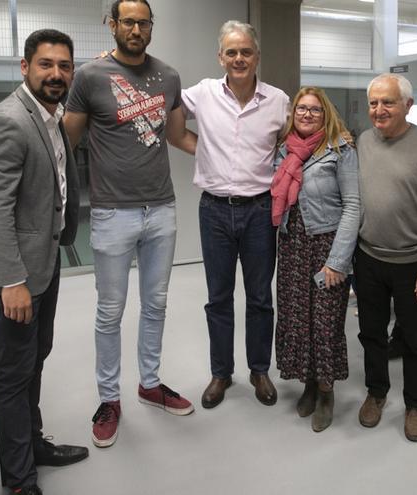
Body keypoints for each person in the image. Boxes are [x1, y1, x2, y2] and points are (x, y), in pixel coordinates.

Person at [63, 0, 196, 449]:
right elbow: (66, 140)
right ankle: (109, 399)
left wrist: (244, 154)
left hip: (161, 209)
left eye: (144, 22)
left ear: (150, 27)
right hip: (111, 212)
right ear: (112, 25)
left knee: (156, 304)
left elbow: (178, 136)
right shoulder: (89, 77)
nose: (136, 29)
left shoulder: (169, 76)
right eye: (128, 21)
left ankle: (150, 383)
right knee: (110, 311)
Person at [0, 29, 87, 494]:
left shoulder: (52, 117)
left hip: (42, 261)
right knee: (13, 375)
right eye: (46, 64)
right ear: (24, 67)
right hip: (12, 273)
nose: (56, 74)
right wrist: (11, 279)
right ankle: (18, 480)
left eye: (64, 66)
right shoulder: (7, 121)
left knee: (35, 359)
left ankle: (33, 445)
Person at [180, 20, 291, 409]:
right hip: (214, 210)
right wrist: (207, 153)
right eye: (232, 52)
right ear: (220, 57)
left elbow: (288, 146)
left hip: (260, 211)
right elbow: (168, 118)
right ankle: (221, 373)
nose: (239, 58)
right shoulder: (203, 93)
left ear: (257, 56)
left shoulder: (278, 101)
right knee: (218, 297)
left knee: (261, 297)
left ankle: (259, 370)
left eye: (246, 51)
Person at [354, 73, 417, 442]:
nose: (378, 110)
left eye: (388, 102)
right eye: (374, 103)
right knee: (371, 334)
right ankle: (376, 393)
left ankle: (415, 404)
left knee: (414, 340)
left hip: (414, 264)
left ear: (408, 105)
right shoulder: (363, 141)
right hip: (368, 259)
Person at [272, 87, 359, 432]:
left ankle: (326, 391)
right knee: (297, 319)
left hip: (326, 246)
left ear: (327, 115)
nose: (307, 115)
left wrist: (338, 261)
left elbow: (353, 206)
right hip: (293, 245)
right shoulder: (283, 150)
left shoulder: (341, 150)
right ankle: (308, 381)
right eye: (301, 109)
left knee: (325, 323)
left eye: (315, 110)